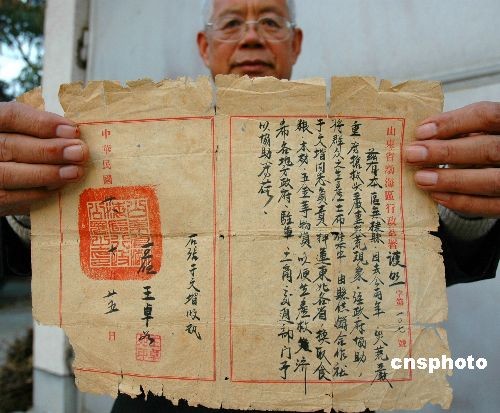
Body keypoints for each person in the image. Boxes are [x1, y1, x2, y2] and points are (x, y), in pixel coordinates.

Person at [0, 0, 498, 411]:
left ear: (295, 44)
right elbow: (61, 256)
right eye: (233, 22)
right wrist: (28, 203)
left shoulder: (354, 149)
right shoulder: (139, 144)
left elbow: (422, 262)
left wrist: (467, 204)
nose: (253, 37)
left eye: (272, 22)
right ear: (205, 46)